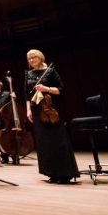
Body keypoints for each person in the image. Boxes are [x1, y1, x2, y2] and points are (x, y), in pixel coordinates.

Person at [24, 49, 79, 184]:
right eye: (29, 59)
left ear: (40, 57)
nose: (31, 60)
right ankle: (51, 173)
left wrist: (46, 89)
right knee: (44, 143)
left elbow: (60, 89)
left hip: (51, 110)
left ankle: (65, 173)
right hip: (37, 111)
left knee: (57, 141)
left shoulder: (50, 71)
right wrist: (28, 110)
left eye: (34, 57)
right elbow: (27, 94)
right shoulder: (28, 74)